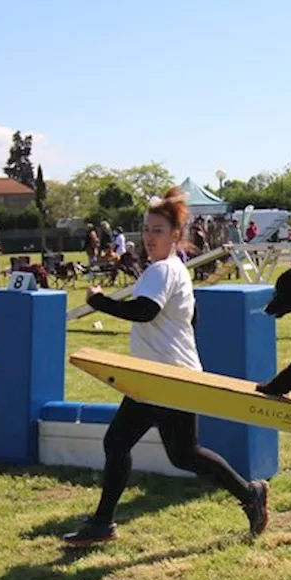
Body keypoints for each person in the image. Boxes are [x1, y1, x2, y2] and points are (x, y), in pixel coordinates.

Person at [63, 186, 270, 546]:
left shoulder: (162, 271)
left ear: (176, 235)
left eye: (157, 230)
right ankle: (250, 493)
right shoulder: (170, 269)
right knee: (181, 455)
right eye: (145, 230)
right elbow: (191, 319)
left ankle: (102, 524)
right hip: (165, 376)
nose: (149, 237)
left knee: (121, 443)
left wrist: (99, 301)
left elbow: (145, 312)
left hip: (165, 378)